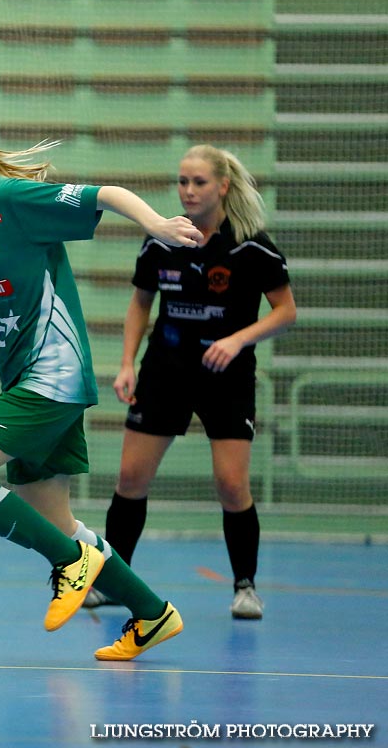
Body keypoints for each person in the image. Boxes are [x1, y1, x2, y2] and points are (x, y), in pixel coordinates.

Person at [0, 102, 196, 661]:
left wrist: (155, 224)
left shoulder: (4, 198)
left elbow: (103, 194)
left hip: (53, 373)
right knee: (55, 520)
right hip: (22, 381)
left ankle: (70, 564)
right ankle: (153, 613)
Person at [91, 145, 294, 620]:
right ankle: (114, 581)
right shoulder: (160, 241)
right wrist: (127, 363)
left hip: (227, 377)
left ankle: (245, 586)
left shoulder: (252, 248)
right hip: (165, 372)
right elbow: (141, 304)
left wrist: (239, 340)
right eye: (182, 181)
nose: (187, 191)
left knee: (230, 485)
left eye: (198, 182)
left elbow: (286, 311)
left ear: (222, 186)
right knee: (130, 479)